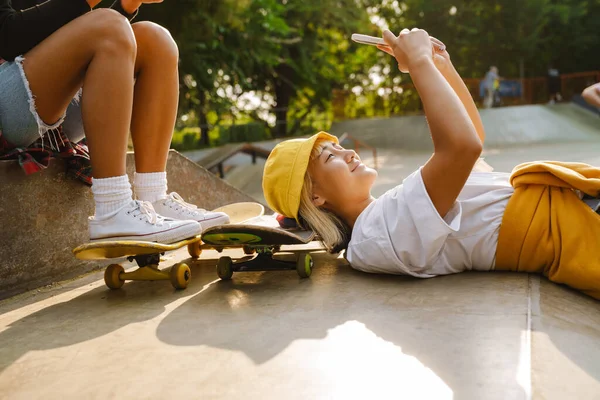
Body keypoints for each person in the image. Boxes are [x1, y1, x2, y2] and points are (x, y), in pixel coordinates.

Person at [261, 28, 600, 300]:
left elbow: (471, 136)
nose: (349, 152)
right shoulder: (374, 235)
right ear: (315, 196)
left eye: (339, 145)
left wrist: (440, 65)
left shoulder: (393, 208)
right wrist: (419, 62)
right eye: (330, 157)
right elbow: (461, 148)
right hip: (575, 229)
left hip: (577, 213)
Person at [0, 0, 229, 242]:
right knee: (108, 24)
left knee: (155, 39)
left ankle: (152, 198)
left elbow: (81, 36)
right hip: (8, 107)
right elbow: (7, 37)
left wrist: (127, 5)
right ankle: (112, 207)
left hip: (53, 107)